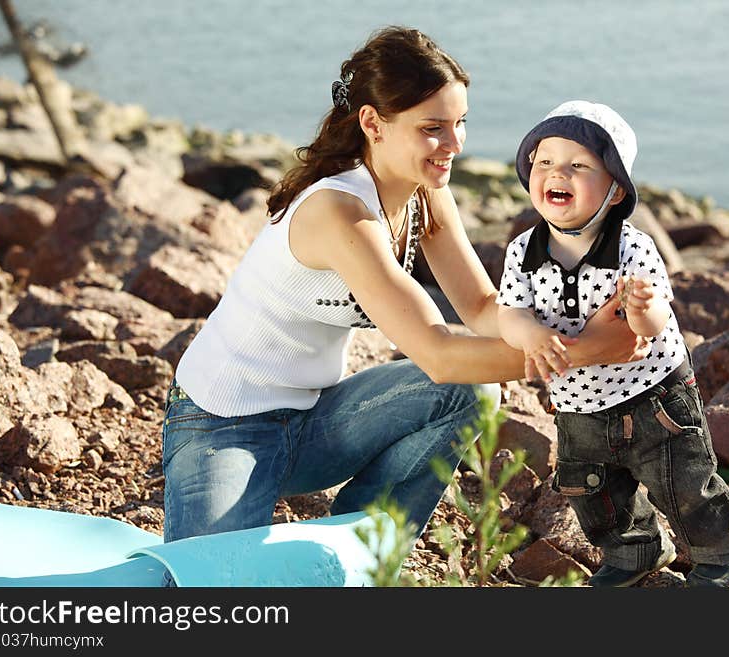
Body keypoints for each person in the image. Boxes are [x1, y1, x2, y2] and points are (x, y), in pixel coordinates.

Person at [161, 28, 646, 555]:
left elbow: (485, 309)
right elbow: (439, 354)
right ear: (373, 123)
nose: (455, 144)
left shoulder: (426, 195)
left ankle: (360, 549)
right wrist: (589, 351)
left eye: (460, 123)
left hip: (311, 424)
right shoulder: (338, 212)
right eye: (433, 128)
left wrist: (579, 324)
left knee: (471, 392)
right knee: (208, 591)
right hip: (220, 427)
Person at [497, 100, 729, 587]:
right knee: (592, 490)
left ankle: (727, 544)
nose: (558, 173)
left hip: (653, 395)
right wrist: (529, 333)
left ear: (615, 189)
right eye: (545, 161)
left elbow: (658, 315)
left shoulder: (631, 246)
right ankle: (635, 550)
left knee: (680, 481)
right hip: (577, 399)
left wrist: (641, 311)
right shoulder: (522, 251)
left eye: (578, 166)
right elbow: (509, 312)